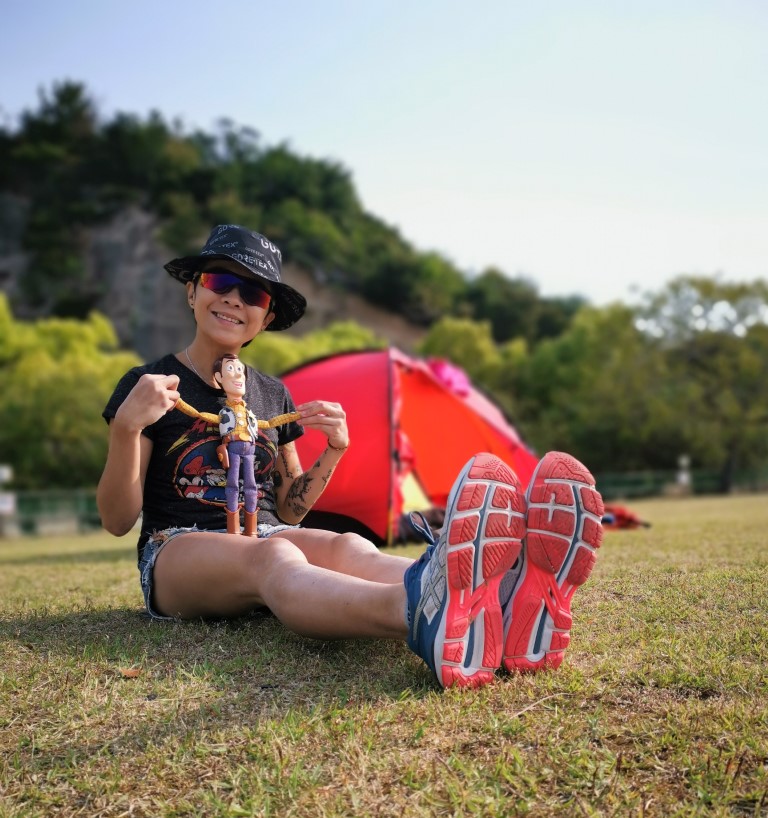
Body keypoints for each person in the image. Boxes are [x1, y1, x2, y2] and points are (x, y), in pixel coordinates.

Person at [98, 224, 605, 689]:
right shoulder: (149, 385)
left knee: (346, 544)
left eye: (252, 292)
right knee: (274, 556)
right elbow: (117, 520)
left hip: (265, 529)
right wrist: (127, 426)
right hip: (177, 549)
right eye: (218, 280)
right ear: (192, 290)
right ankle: (419, 611)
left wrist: (335, 450)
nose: (233, 298)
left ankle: (499, 605)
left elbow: (289, 510)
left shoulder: (273, 395)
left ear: (267, 316)